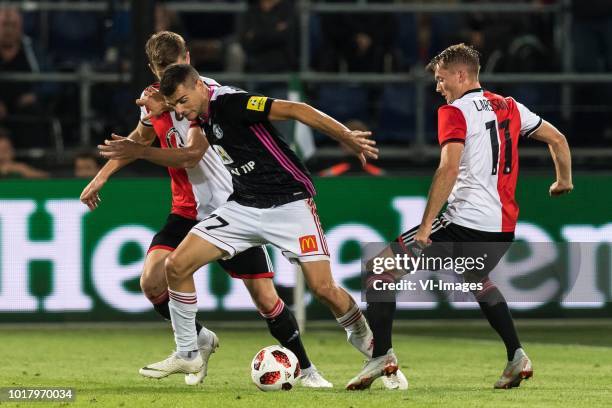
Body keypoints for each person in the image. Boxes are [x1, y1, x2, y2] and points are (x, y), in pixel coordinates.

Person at [101, 62, 406, 387]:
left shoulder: (233, 103)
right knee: (175, 266)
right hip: (244, 206)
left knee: (323, 289)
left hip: (290, 204)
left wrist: (347, 136)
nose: (180, 109)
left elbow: (297, 109)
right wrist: (156, 118)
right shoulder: (198, 115)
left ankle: (375, 350)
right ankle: (188, 351)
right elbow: (185, 149)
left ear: (198, 86)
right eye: (174, 104)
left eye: (182, 101)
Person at [82, 31, 331, 388]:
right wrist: (101, 177)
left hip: (233, 207)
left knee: (265, 300)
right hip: (186, 211)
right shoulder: (156, 102)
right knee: (152, 280)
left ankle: (307, 369)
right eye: (160, 69)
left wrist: (159, 116)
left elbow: (189, 154)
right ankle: (197, 341)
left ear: (187, 59)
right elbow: (139, 139)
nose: (168, 75)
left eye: (174, 66)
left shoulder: (205, 95)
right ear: (152, 69)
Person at [347, 43, 573, 390]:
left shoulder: (454, 112)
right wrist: (563, 181)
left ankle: (382, 356)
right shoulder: (511, 107)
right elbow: (557, 139)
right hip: (502, 229)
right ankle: (516, 356)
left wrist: (425, 227)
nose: (439, 87)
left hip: (463, 221)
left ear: (461, 75)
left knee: (378, 270)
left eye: (441, 79)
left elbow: (449, 168)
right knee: (477, 279)